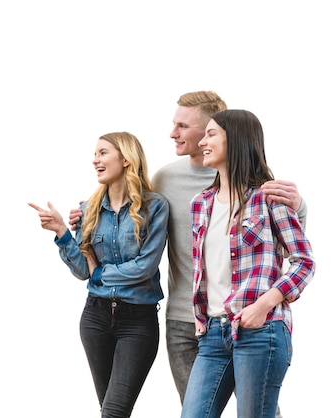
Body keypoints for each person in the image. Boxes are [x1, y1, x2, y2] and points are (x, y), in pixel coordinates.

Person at [69, 91, 307, 417]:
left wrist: (299, 206)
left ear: (220, 133)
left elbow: (291, 249)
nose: (173, 133)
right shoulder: (180, 188)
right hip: (190, 322)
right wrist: (87, 213)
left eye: (184, 126)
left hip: (254, 324)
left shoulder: (262, 190)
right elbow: (130, 208)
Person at [180, 109, 315, 417]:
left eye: (212, 134)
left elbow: (304, 262)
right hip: (213, 334)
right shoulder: (199, 204)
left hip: (260, 331)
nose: (203, 141)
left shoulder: (268, 197)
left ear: (237, 140)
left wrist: (262, 305)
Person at [29, 132, 169, 418]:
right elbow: (83, 271)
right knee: (110, 409)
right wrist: (61, 232)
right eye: (95, 154)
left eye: (103, 153)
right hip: (95, 317)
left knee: (114, 411)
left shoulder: (154, 207)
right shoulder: (87, 210)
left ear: (126, 160)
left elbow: (145, 267)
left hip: (137, 321)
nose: (95, 160)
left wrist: (99, 272)